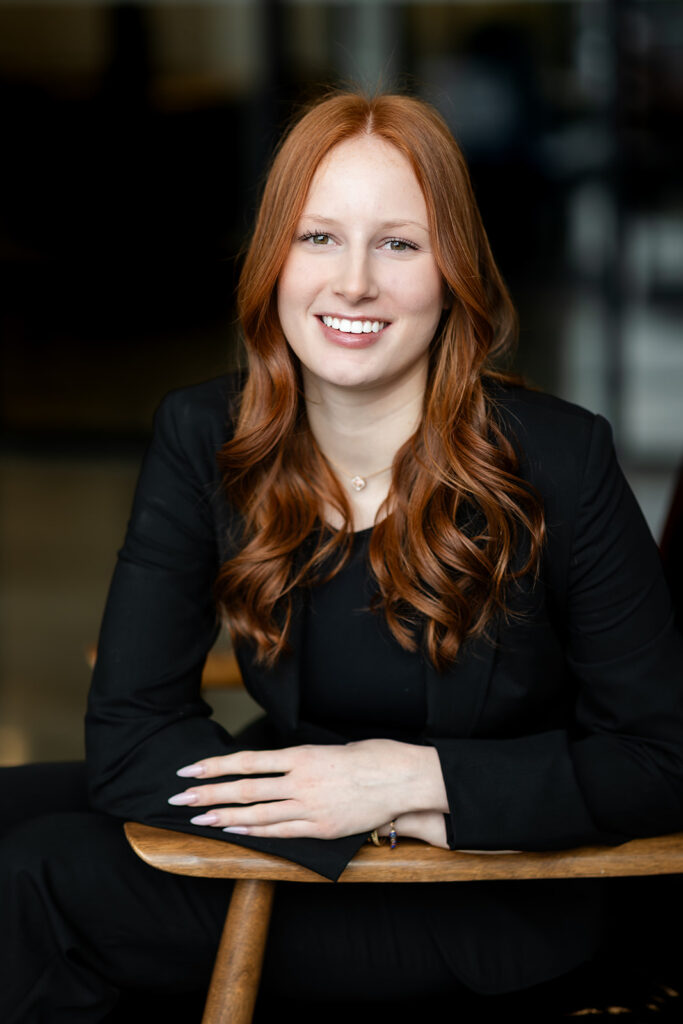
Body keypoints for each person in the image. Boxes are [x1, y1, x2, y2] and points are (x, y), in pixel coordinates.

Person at [2, 91, 682, 1022]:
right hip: (301, 827)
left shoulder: (559, 458)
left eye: (398, 244)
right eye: (319, 237)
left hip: (480, 895)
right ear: (273, 259)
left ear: (451, 273)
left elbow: (660, 757)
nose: (352, 283)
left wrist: (401, 787)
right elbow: (128, 739)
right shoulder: (207, 432)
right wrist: (324, 805)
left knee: (36, 876)